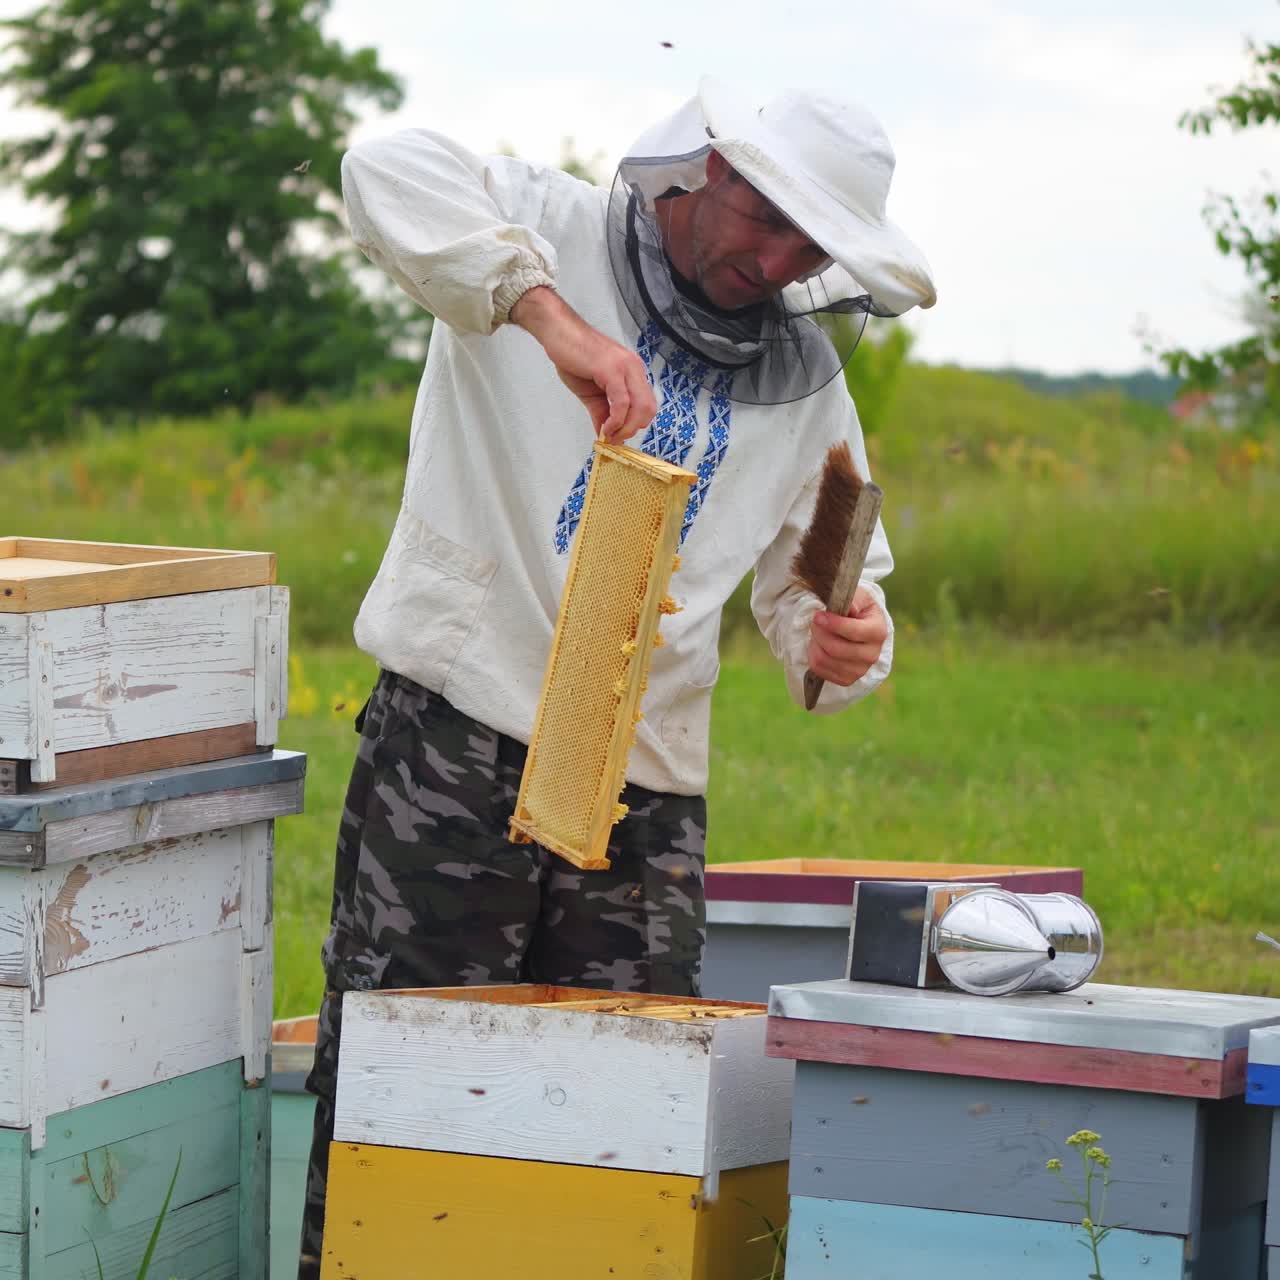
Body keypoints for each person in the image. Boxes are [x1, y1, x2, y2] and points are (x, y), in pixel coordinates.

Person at [297, 77, 935, 1276]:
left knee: (622, 1131)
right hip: (457, 743)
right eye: (764, 219)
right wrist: (552, 322)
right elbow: (382, 164)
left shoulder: (809, 384)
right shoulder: (540, 224)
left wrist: (848, 640)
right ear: (703, 170)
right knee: (405, 1104)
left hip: (646, 803)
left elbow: (820, 591)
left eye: (810, 246)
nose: (776, 259)